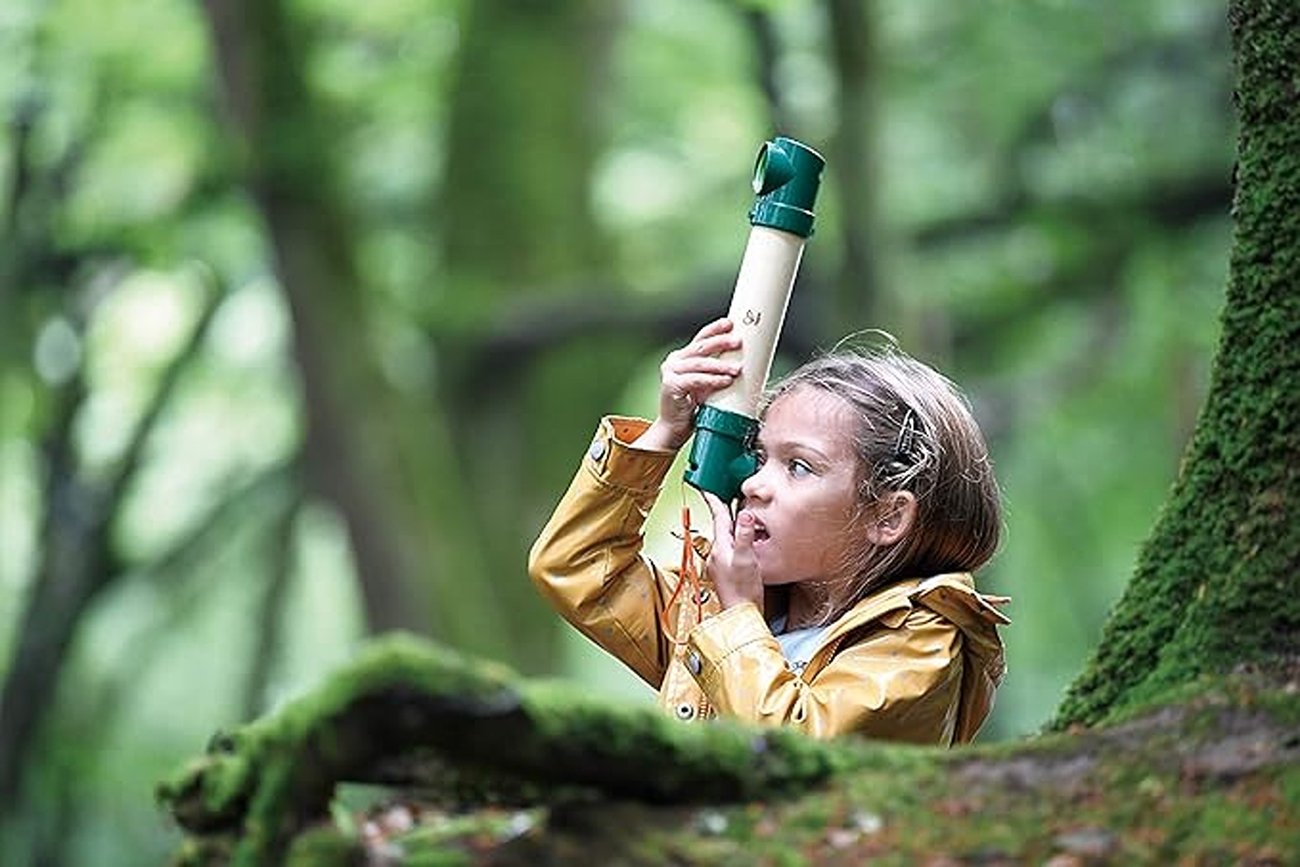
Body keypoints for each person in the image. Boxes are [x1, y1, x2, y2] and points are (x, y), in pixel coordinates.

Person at [528, 317, 1010, 744]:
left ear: (886, 517)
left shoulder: (923, 638)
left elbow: (796, 751)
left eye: (798, 466)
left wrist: (740, 613)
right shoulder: (721, 607)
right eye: (760, 457)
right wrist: (665, 434)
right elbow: (578, 567)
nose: (755, 484)